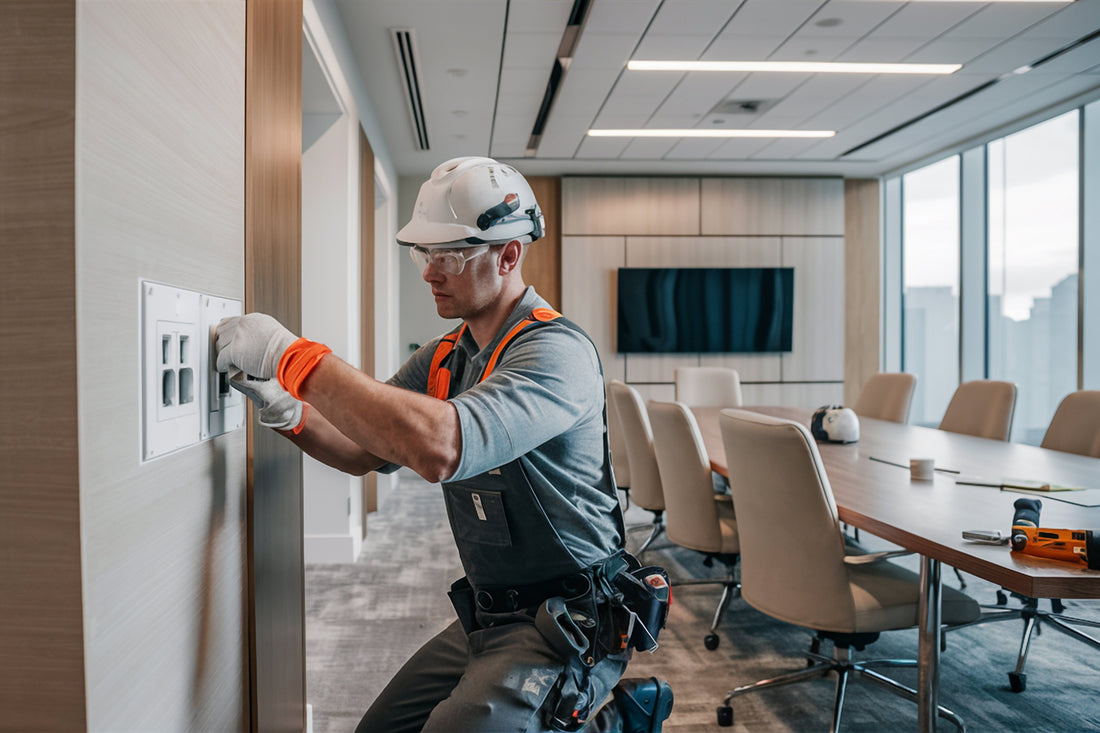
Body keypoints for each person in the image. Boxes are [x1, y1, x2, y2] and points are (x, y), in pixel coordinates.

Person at [214, 157, 671, 733]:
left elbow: (440, 447)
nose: (431, 272)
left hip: (570, 621)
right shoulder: (445, 356)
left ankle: (619, 723)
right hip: (490, 615)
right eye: (424, 254)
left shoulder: (555, 353)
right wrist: (282, 408)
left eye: (450, 255)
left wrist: (292, 355)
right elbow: (365, 448)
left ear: (509, 255)